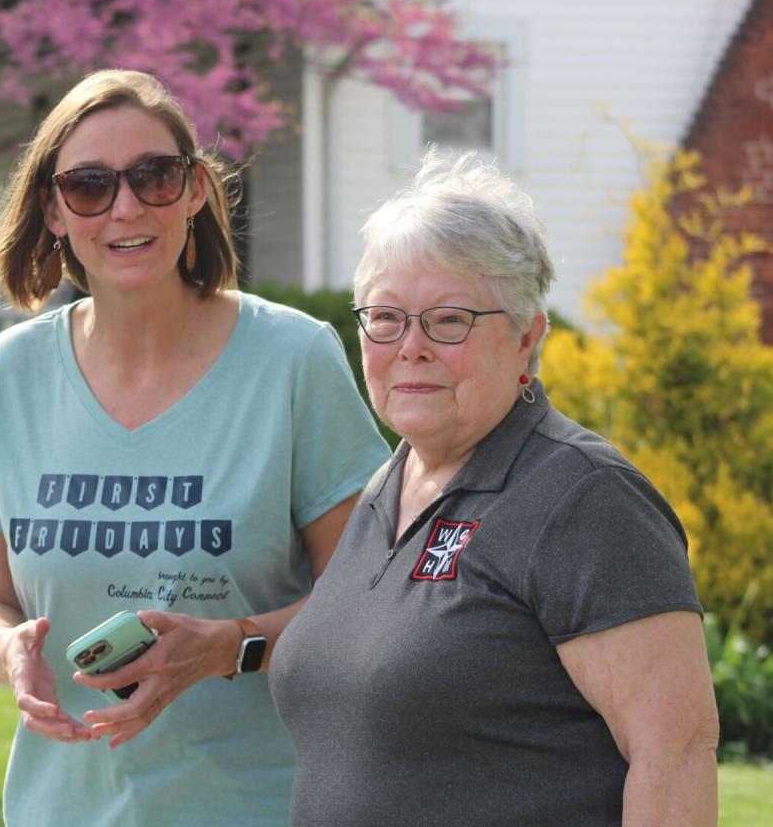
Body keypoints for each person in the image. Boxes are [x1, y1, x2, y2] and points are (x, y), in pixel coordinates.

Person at [0, 69, 390, 826]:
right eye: (88, 185)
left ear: (196, 190)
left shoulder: (291, 359)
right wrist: (6, 649)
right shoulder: (6, 376)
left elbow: (364, 606)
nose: (125, 207)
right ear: (52, 209)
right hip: (58, 809)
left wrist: (223, 647)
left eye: (154, 176)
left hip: (261, 806)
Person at [269, 149, 721, 827]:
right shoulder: (386, 486)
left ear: (525, 339)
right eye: (386, 316)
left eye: (449, 319)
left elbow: (675, 753)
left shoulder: (583, 498)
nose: (410, 346)